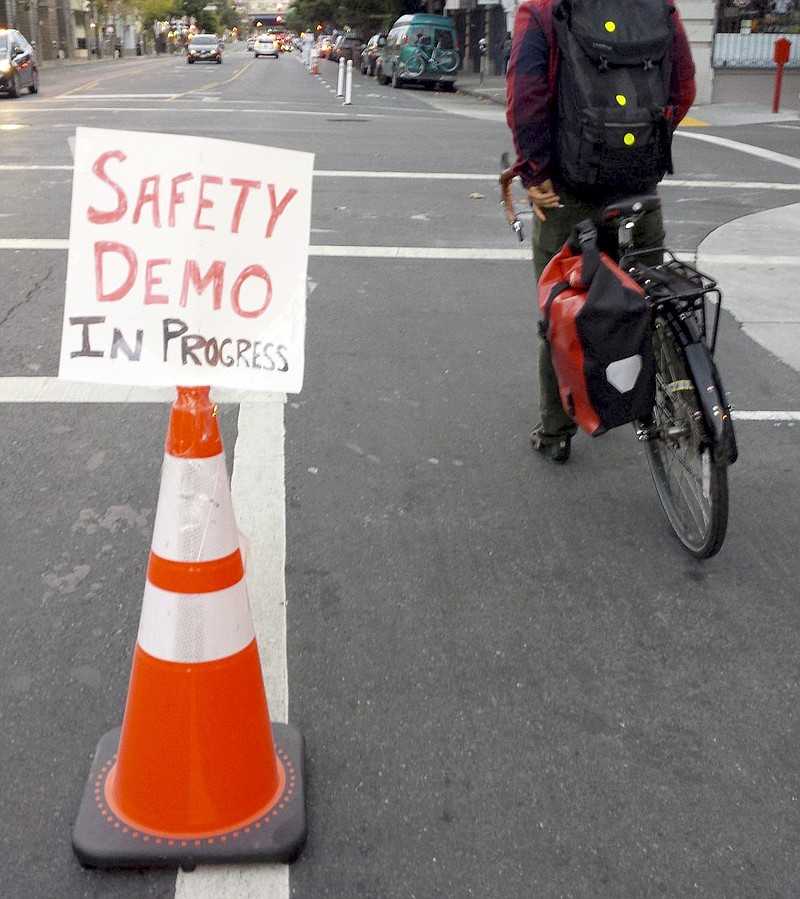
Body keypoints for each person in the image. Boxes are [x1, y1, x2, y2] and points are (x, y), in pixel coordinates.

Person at [505, 0, 696, 463]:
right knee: (647, 301)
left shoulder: (544, 10)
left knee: (563, 308)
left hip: (569, 192)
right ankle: (668, 403)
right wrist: (643, 149)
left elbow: (525, 97)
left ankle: (556, 428)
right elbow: (683, 85)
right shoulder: (659, 8)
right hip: (639, 188)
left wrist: (534, 174)